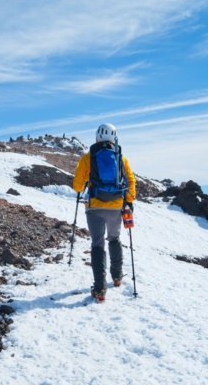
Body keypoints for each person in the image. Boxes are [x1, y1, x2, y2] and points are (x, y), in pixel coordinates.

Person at [73, 123, 136, 301]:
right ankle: (116, 277)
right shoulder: (121, 158)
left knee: (97, 244)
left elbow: (77, 184)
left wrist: (82, 187)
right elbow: (130, 180)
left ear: (97, 137)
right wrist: (129, 202)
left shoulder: (88, 157)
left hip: (94, 207)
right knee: (114, 239)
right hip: (116, 206)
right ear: (114, 137)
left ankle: (100, 289)